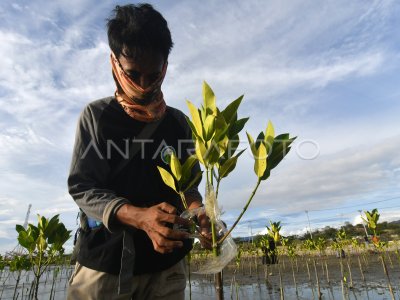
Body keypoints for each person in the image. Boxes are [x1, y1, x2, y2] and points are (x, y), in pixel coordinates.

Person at [67, 4, 206, 299]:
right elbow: (82, 187)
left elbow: (189, 188)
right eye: (133, 74)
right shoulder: (96, 116)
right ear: (114, 63)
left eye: (153, 75)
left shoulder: (179, 123)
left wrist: (201, 214)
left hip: (167, 271)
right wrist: (140, 217)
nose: (144, 86)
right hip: (105, 268)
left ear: (165, 66)